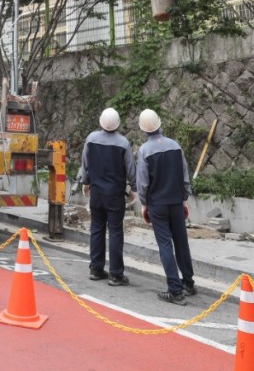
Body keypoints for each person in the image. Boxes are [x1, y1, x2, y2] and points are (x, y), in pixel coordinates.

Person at [136, 108, 197, 305]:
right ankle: (188, 282)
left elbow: (142, 183)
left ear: (143, 129)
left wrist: (144, 204)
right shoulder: (175, 146)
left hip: (157, 204)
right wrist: (184, 198)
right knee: (181, 242)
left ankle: (175, 290)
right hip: (176, 202)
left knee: (165, 245)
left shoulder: (145, 151)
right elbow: (184, 175)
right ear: (159, 124)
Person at [81, 106, 137, 286]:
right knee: (115, 232)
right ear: (118, 124)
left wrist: (85, 182)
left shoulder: (91, 139)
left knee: (96, 229)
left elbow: (86, 164)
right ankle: (116, 274)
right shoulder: (123, 143)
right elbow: (130, 168)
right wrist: (134, 188)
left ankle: (96, 269)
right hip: (115, 194)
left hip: (96, 192)